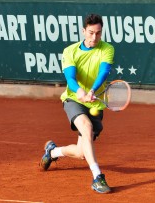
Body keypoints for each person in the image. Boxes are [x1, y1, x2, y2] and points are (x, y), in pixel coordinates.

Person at [39, 13, 115, 194]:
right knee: (86, 127)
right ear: (83, 31)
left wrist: (91, 91)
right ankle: (97, 176)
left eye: (98, 33)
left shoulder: (107, 49)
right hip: (73, 99)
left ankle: (53, 152)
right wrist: (81, 92)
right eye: (90, 33)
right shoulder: (69, 51)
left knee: (82, 153)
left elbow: (103, 73)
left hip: (95, 103)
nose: (94, 37)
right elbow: (70, 78)